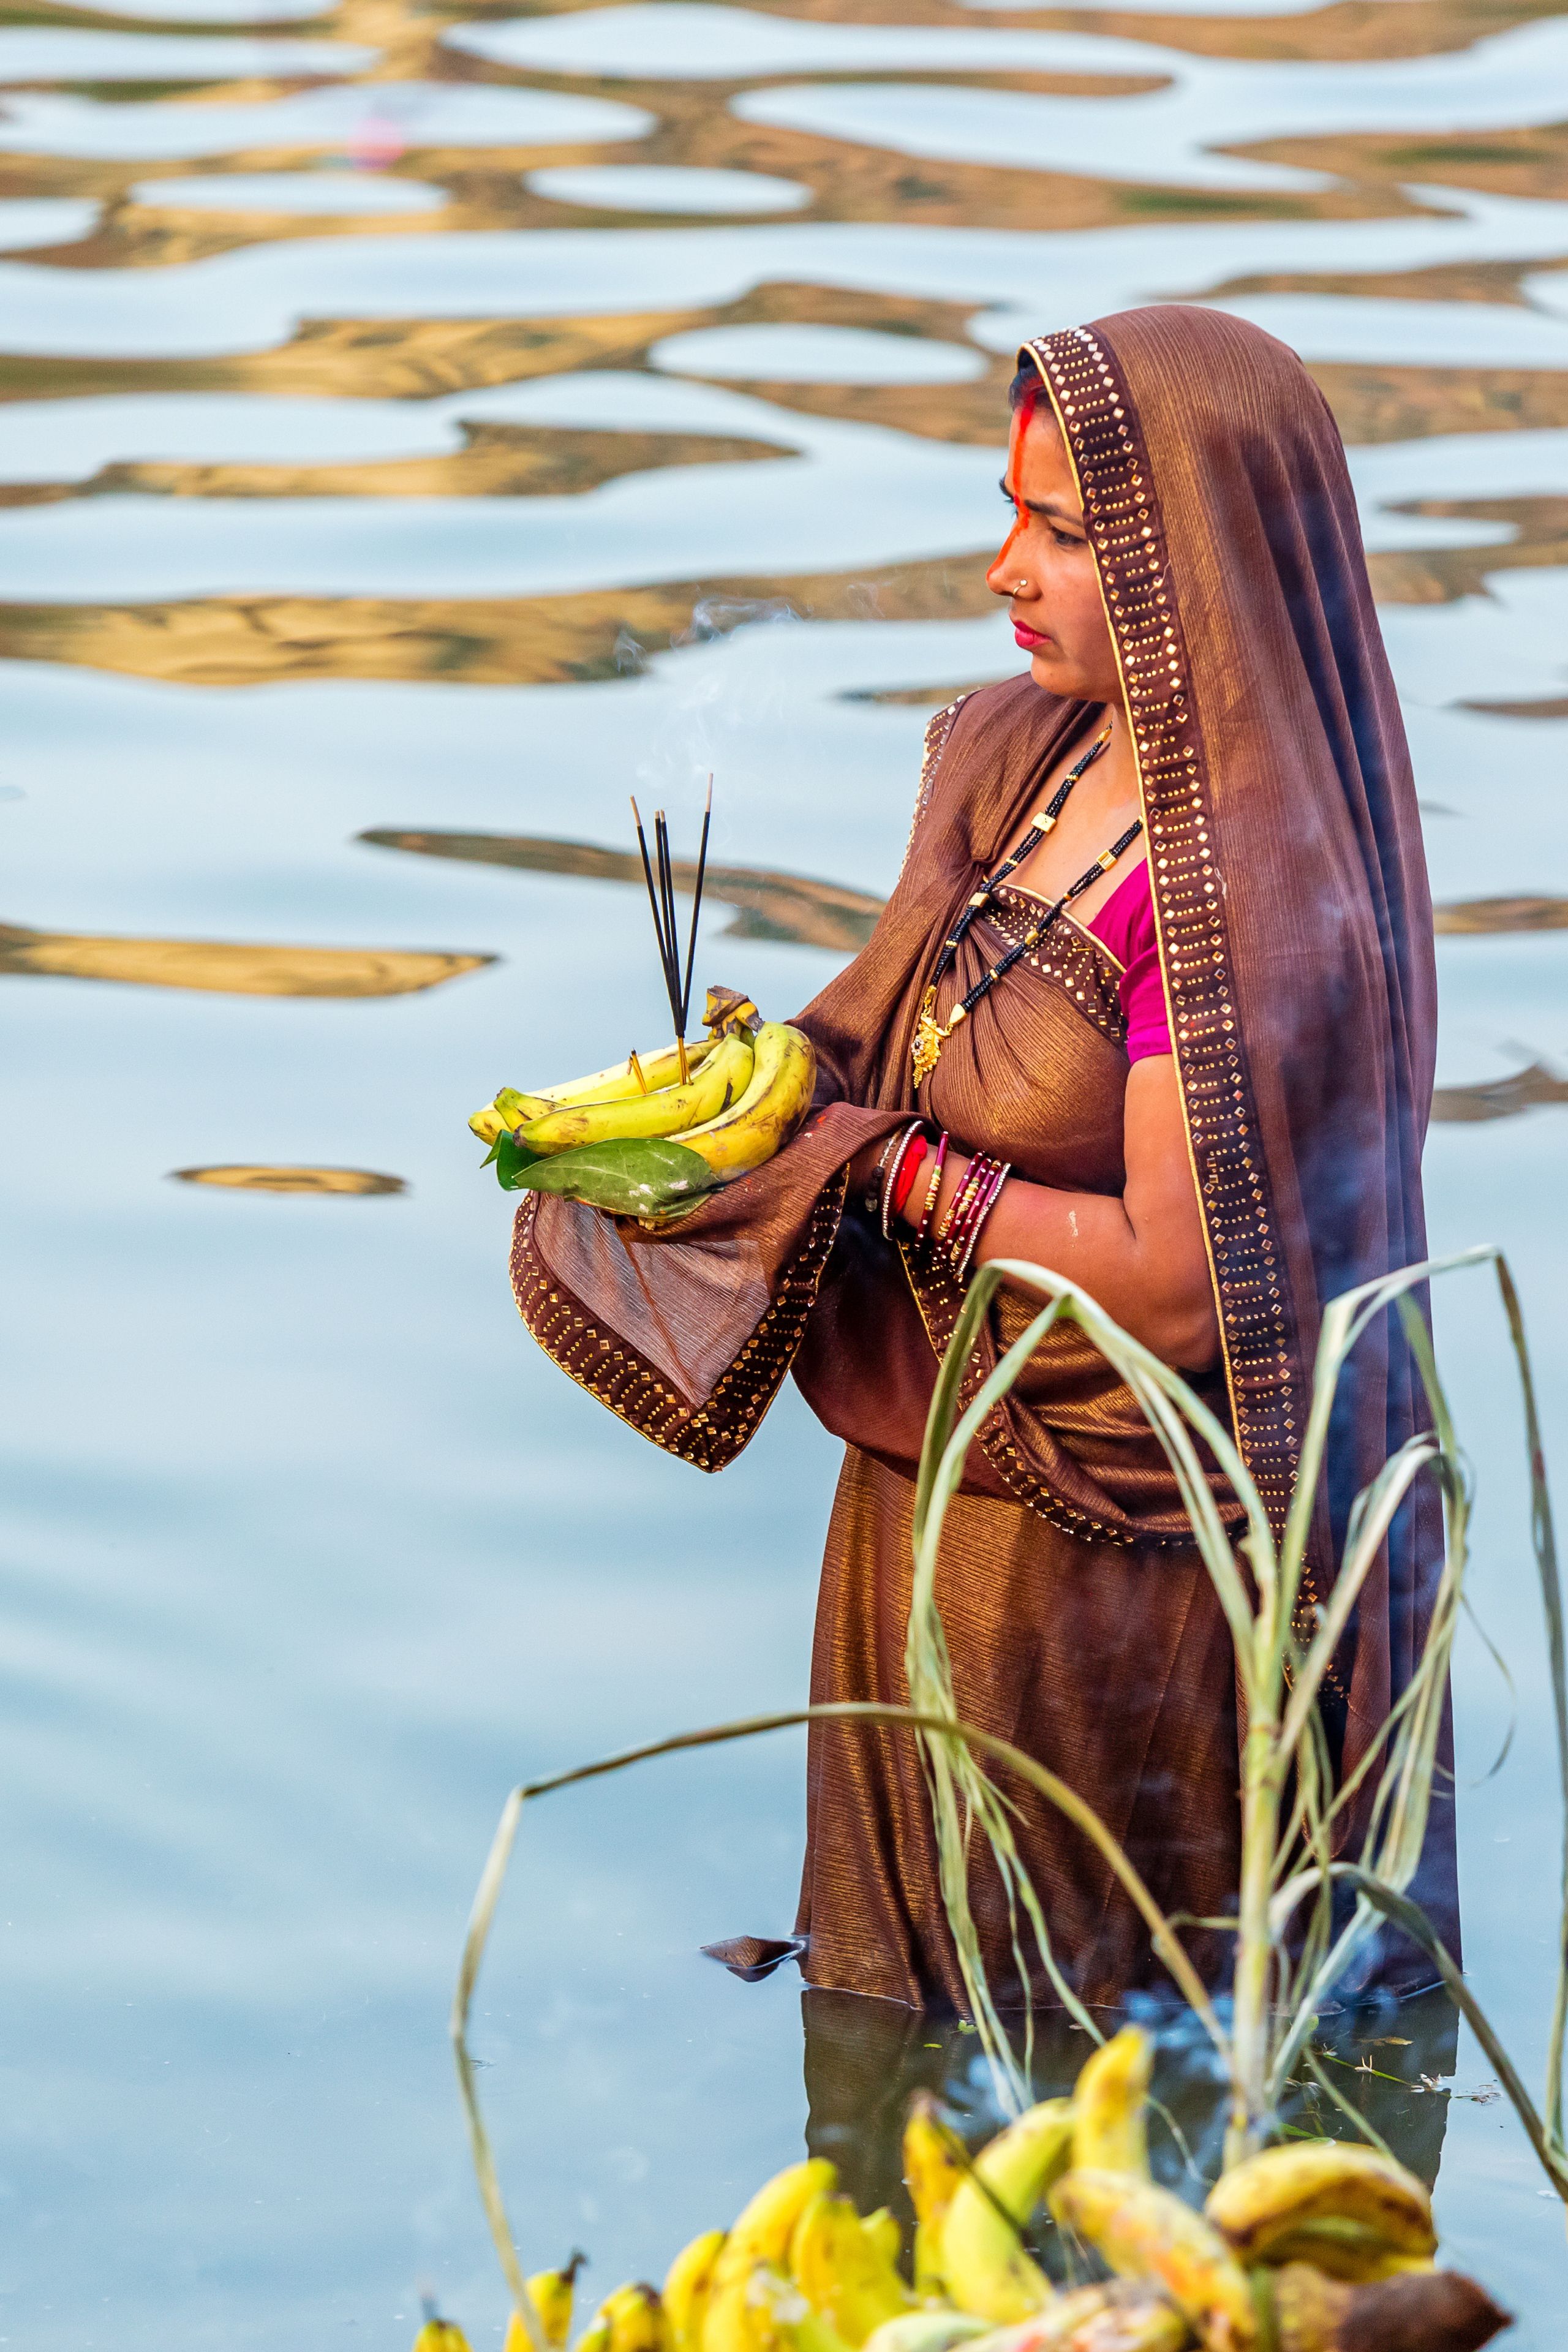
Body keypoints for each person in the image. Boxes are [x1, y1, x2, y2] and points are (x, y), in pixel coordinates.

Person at [511, 305, 1458, 2013]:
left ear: (1197, 565)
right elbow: (901, 1035)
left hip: (1108, 1586)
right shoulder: (1022, 752)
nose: (1004, 571)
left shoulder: (1247, 885)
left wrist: (881, 1172)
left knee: (1079, 2101)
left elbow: (1177, 1287)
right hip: (918, 1508)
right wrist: (745, 1096)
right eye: (1006, 512)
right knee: (888, 2060)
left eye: (1069, 535)